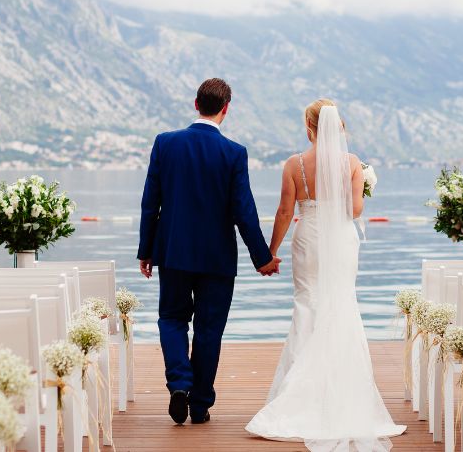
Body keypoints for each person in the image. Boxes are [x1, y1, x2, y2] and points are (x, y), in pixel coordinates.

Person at [245, 99, 405, 451]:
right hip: (341, 240)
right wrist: (361, 184)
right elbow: (355, 210)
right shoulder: (351, 164)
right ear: (340, 128)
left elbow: (286, 210)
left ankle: (298, 392)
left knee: (307, 304)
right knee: (342, 304)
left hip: (308, 238)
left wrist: (270, 252)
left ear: (309, 129)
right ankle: (340, 393)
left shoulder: (293, 164)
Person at [137, 77, 282, 426]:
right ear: (226, 109)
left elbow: (149, 203)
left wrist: (147, 250)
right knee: (208, 329)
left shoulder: (165, 144)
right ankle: (199, 404)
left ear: (195, 103)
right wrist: (262, 258)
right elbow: (243, 211)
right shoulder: (233, 153)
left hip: (172, 252)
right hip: (217, 258)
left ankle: (179, 384)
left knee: (171, 319)